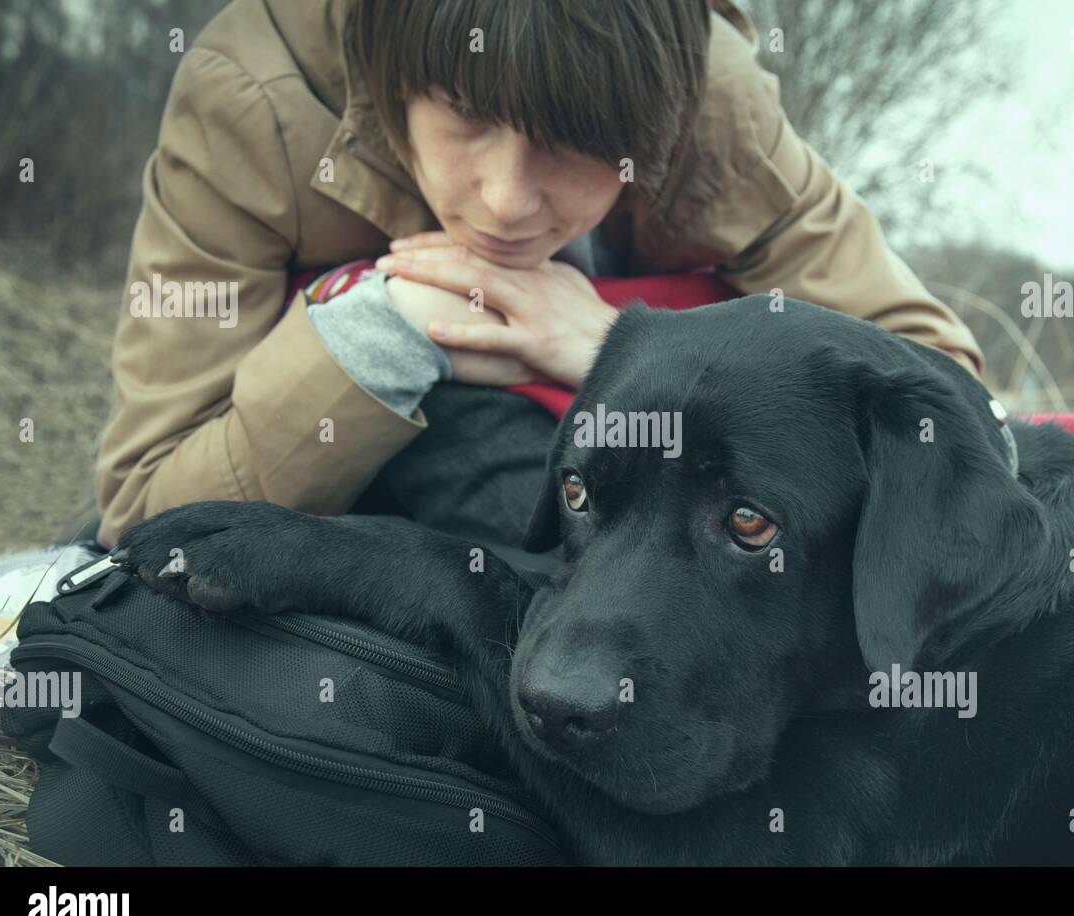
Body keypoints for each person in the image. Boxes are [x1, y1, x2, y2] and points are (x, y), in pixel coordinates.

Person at [92, 0, 984, 552]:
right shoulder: (250, 98)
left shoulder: (705, 93)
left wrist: (616, 345)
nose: (509, 199)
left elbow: (951, 404)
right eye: (468, 116)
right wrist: (384, 333)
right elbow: (143, 517)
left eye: (575, 142)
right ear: (393, 72)